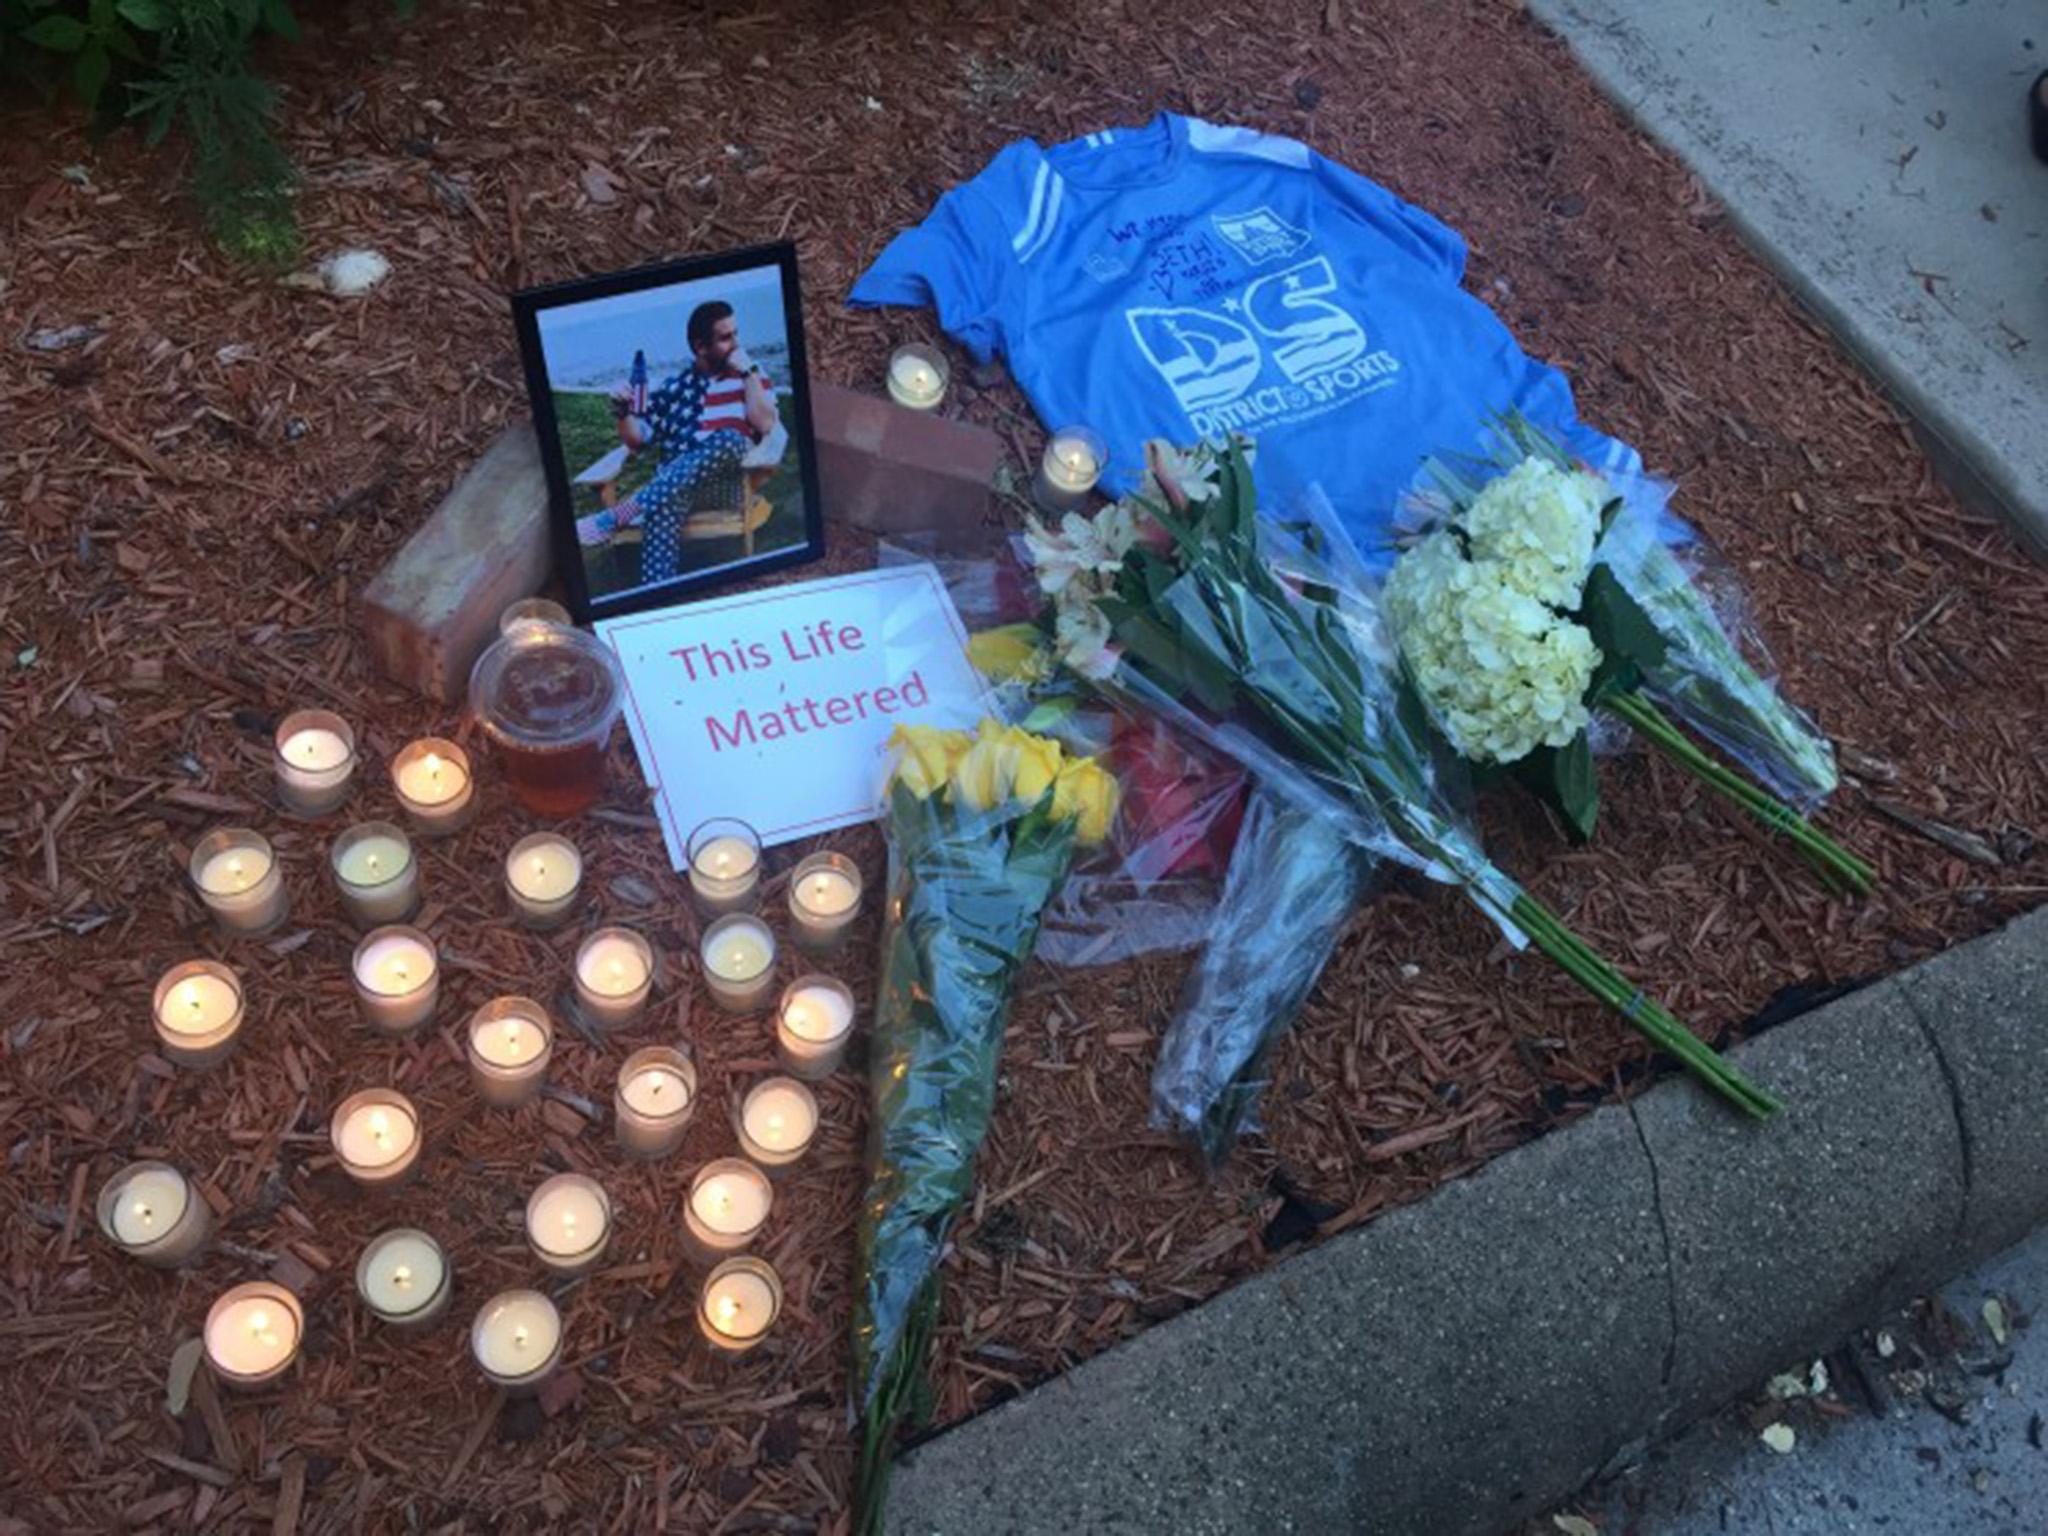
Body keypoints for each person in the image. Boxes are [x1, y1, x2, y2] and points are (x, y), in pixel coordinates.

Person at [578, 299, 779, 584]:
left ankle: (619, 515)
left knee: (731, 439)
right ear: (700, 346)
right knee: (665, 499)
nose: (736, 344)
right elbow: (638, 440)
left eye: (736, 334)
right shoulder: (675, 388)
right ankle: (656, 599)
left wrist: (748, 373)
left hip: (725, 486)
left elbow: (765, 424)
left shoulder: (751, 376)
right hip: (673, 488)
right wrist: (622, 412)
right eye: (725, 338)